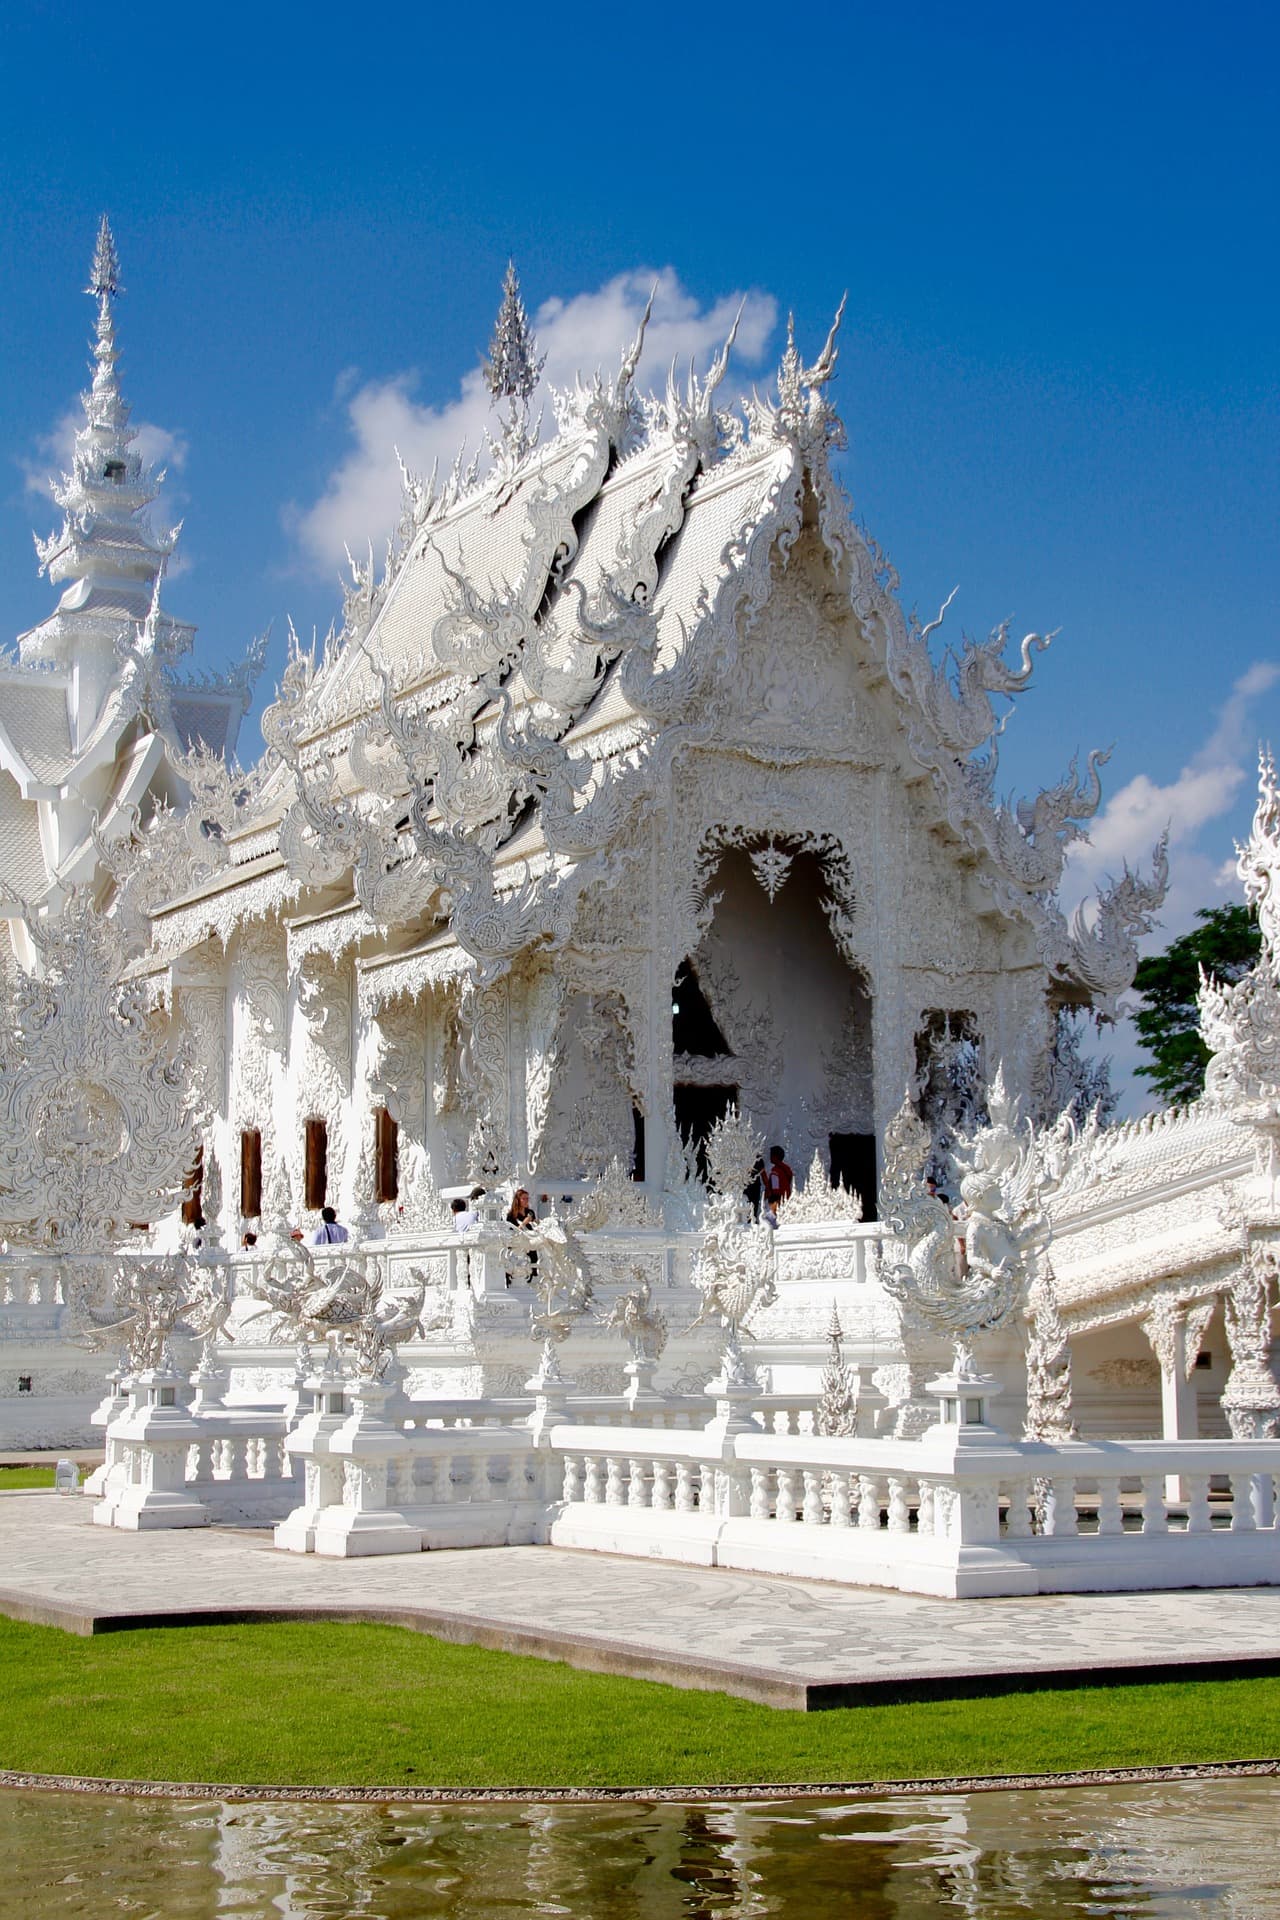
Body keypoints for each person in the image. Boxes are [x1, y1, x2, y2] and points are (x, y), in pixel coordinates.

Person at [764, 1145, 794, 1213]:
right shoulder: (785, 1169)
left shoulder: (775, 1171)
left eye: (771, 1155)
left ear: (775, 1157)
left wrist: (772, 1202)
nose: (769, 1157)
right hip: (785, 1198)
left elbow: (775, 1188)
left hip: (777, 1200)